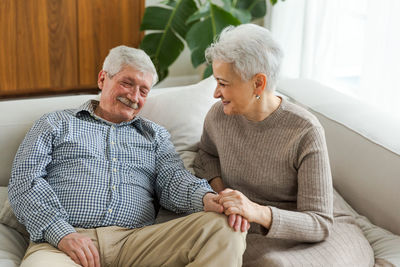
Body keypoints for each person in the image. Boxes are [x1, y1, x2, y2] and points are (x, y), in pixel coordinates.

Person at [8, 45, 246, 267]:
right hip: (63, 242)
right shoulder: (56, 123)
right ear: (103, 79)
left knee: (223, 226)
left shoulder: (155, 136)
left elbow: (174, 180)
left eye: (143, 90)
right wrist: (60, 232)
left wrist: (206, 198)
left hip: (136, 242)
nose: (134, 96)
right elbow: (24, 181)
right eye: (127, 83)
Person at [193, 24, 374, 266]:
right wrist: (223, 193)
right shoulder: (219, 116)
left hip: (320, 233)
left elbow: (319, 223)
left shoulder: (304, 130)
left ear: (258, 83)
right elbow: (206, 155)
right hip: (253, 231)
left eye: (223, 83)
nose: (216, 93)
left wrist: (255, 210)